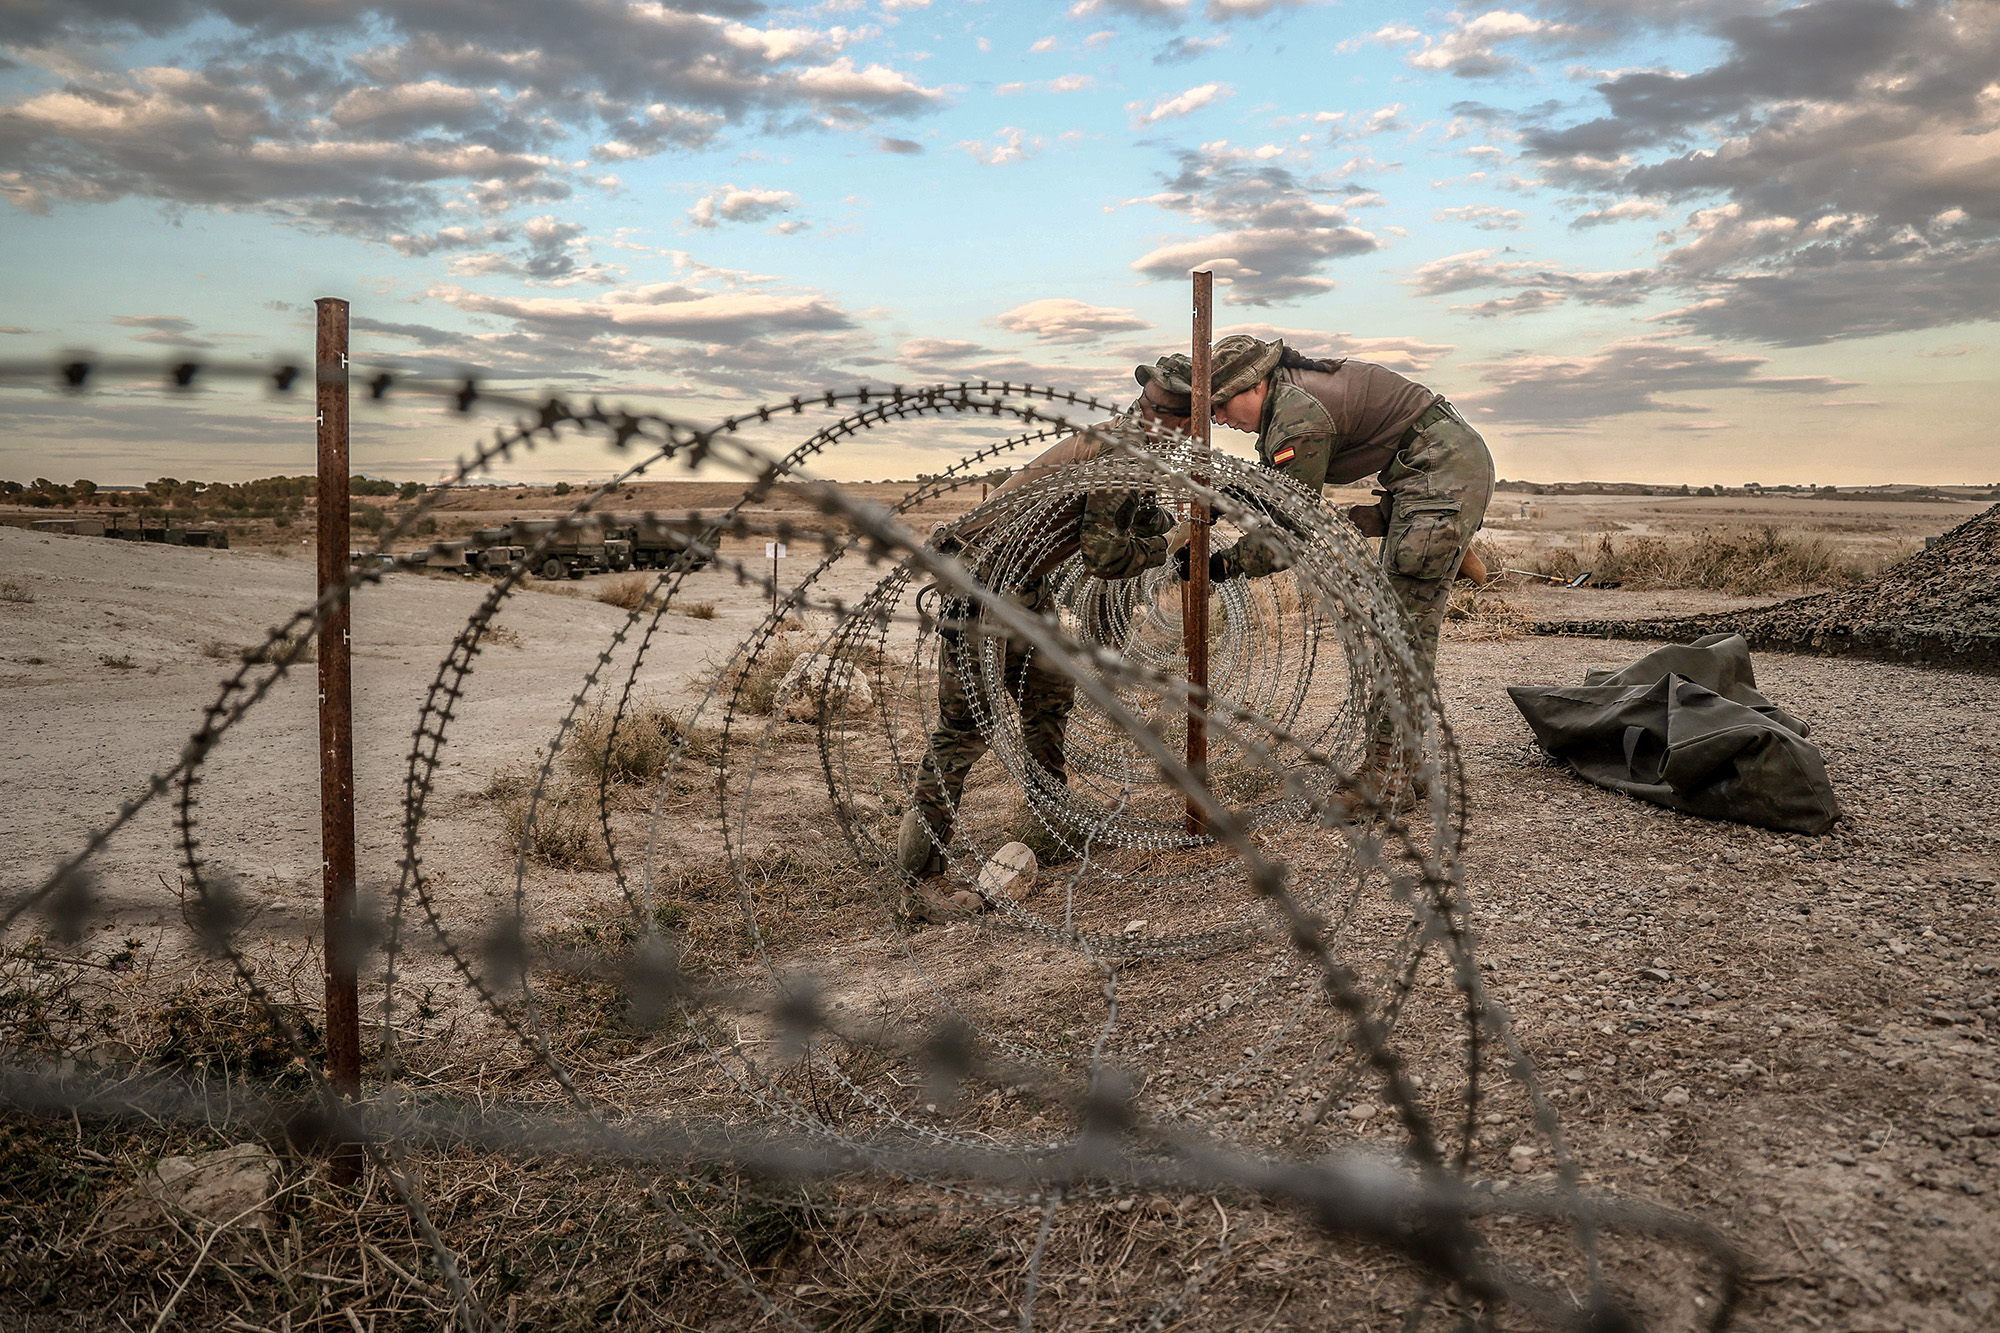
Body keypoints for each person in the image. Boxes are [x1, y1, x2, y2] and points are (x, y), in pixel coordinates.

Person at [896, 357, 1192, 915]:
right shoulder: (1120, 455)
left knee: (1048, 697)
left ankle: (1055, 825)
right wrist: (1176, 542)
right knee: (963, 731)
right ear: (1177, 421)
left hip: (1023, 585)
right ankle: (919, 884)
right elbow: (1105, 554)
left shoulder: (1129, 448)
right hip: (983, 586)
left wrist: (1186, 507)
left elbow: (1131, 516)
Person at [1188, 334, 1495, 798]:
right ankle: (1404, 771)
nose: (1218, 418)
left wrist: (1221, 566)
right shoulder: (1286, 402)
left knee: (1401, 635)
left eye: (1222, 404)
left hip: (1439, 477)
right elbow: (1277, 489)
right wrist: (1228, 500)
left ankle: (1386, 780)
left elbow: (1290, 529)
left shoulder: (1297, 418)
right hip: (1428, 471)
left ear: (1254, 386)